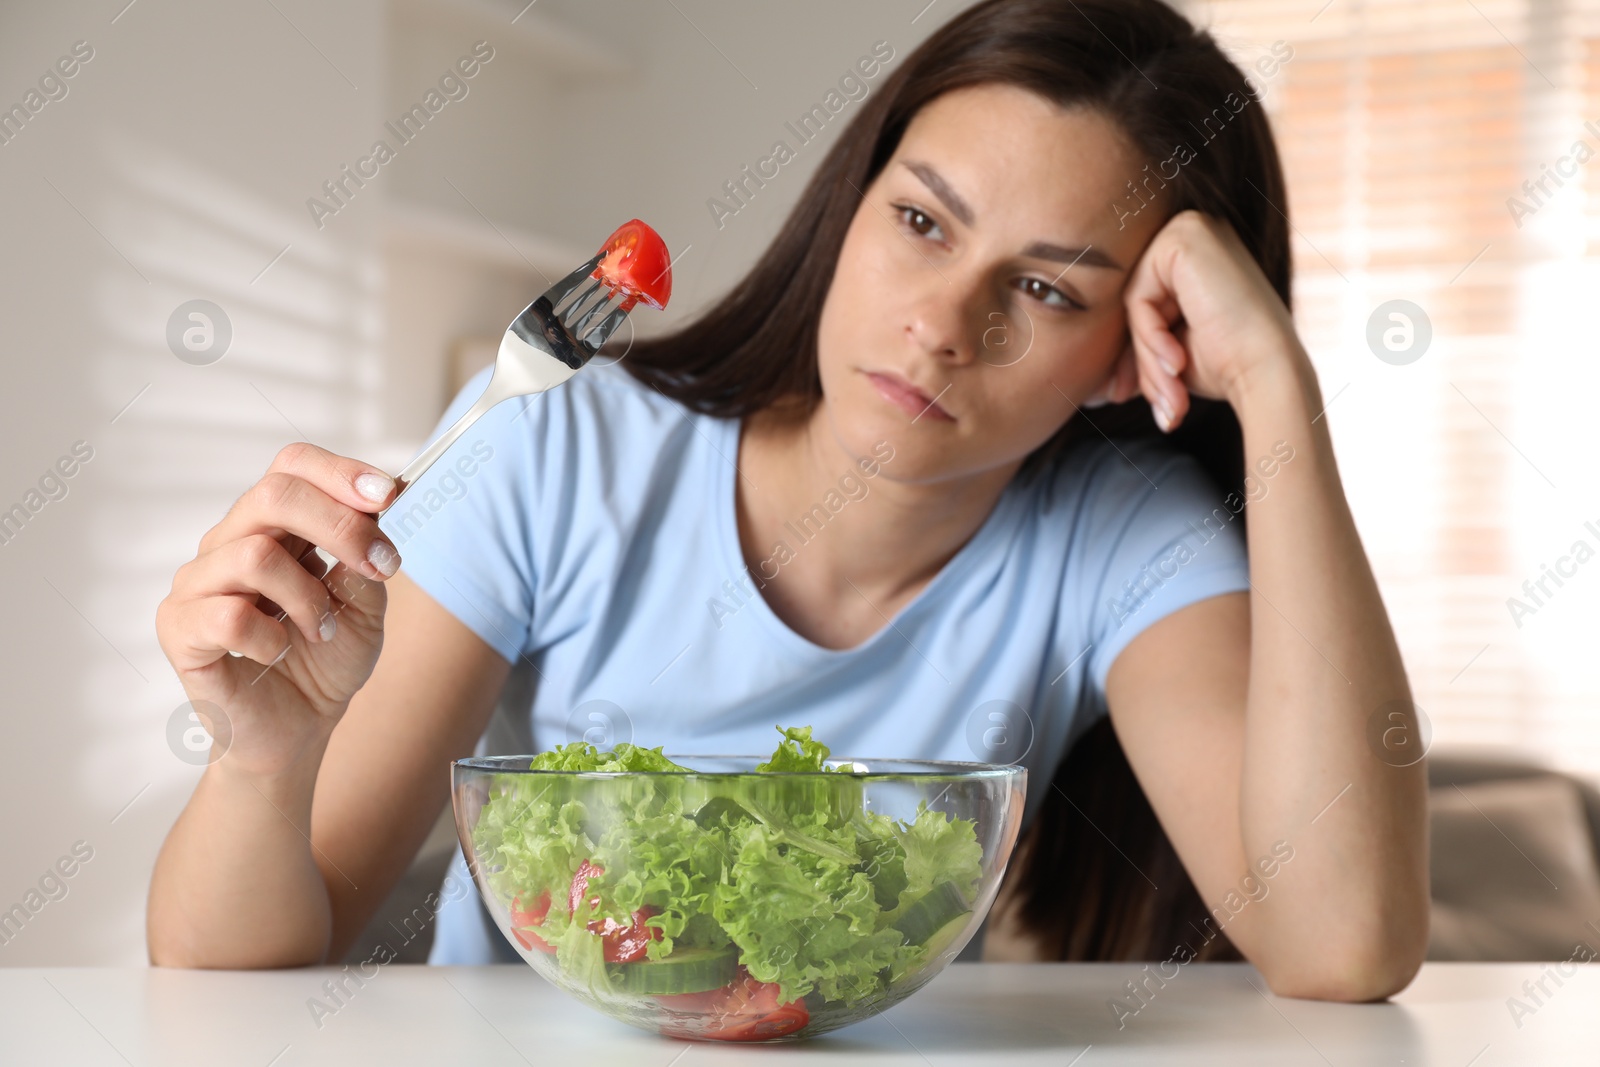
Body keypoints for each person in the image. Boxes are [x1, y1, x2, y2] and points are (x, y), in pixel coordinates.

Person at [148, 0, 1428, 1000]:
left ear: (1129, 352)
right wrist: (264, 763)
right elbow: (232, 978)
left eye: (1045, 290)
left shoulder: (1121, 531)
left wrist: (1276, 388)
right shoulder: (554, 446)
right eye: (923, 222)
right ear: (849, 203)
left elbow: (1341, 943)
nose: (940, 324)